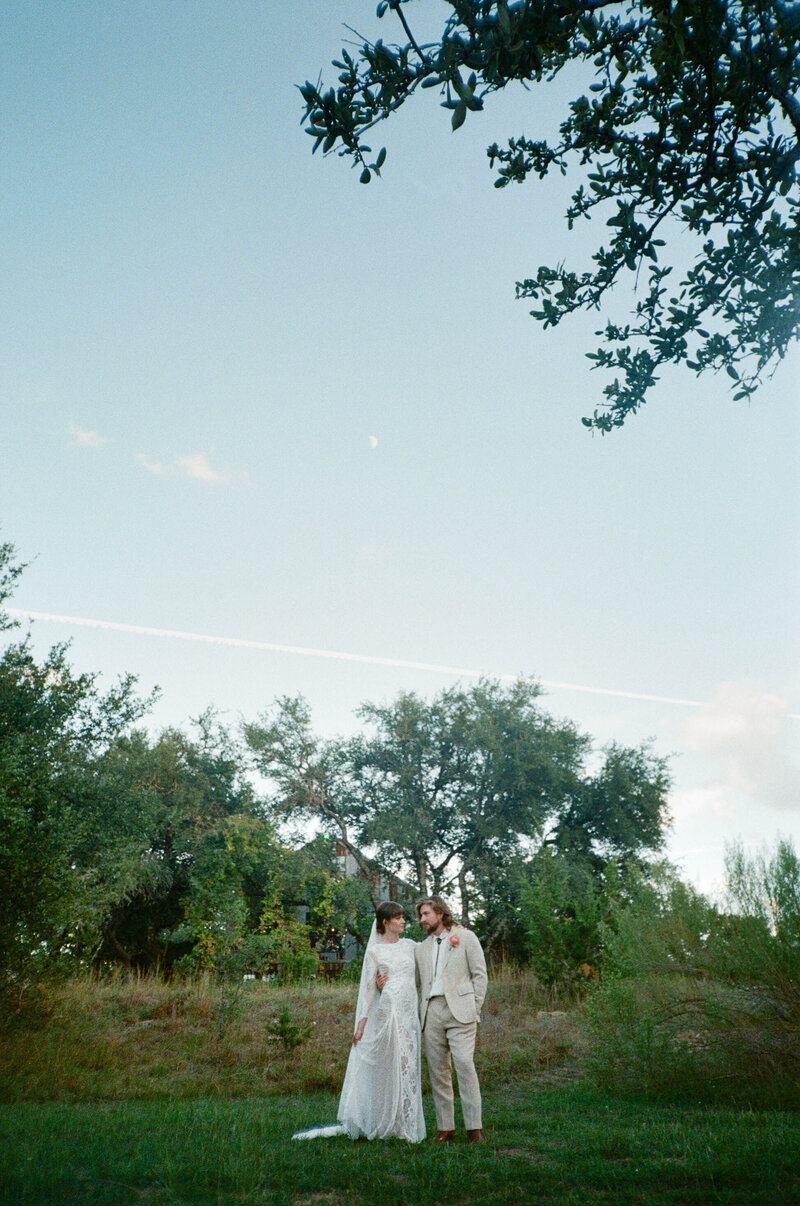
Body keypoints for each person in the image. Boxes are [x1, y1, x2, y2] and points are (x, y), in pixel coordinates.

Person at [292, 901, 425, 1143]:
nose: (403, 921)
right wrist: (362, 1023)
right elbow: (368, 990)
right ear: (386, 922)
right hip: (389, 1011)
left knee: (408, 1064)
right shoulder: (375, 951)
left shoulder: (411, 946)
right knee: (392, 1063)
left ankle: (405, 1122)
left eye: (404, 917)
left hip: (409, 1012)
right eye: (398, 917)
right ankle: (383, 1120)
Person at [414, 895, 488, 1144]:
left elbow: (480, 975)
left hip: (461, 1011)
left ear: (440, 913)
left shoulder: (464, 936)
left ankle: (474, 1127)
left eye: (426, 914)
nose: (422, 919)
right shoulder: (421, 948)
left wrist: (474, 1007)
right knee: (438, 1071)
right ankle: (445, 1127)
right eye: (420, 915)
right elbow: (416, 983)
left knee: (465, 1065)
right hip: (431, 1011)